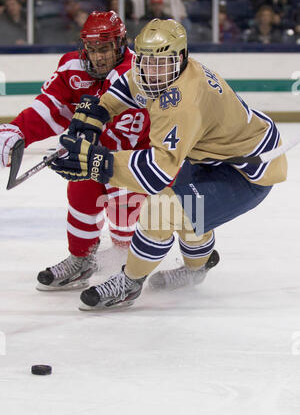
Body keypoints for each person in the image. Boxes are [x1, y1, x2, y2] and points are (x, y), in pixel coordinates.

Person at [51, 18, 287, 311]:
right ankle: (197, 266)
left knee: (162, 211)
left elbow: (156, 173)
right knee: (189, 212)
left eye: (160, 63)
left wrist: (96, 163)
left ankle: (129, 283)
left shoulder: (183, 102)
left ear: (182, 57)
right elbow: (127, 87)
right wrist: (97, 114)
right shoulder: (165, 69)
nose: (151, 72)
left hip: (248, 170)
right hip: (215, 154)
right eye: (146, 61)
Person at [0, 10, 150, 290]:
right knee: (81, 186)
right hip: (99, 151)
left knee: (123, 209)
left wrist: (83, 148)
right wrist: (17, 129)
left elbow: (127, 136)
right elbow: (52, 107)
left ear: (120, 44)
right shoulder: (72, 67)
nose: (98, 56)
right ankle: (81, 258)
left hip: (140, 156)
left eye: (105, 48)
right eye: (92, 49)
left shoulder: (135, 73)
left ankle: (137, 260)